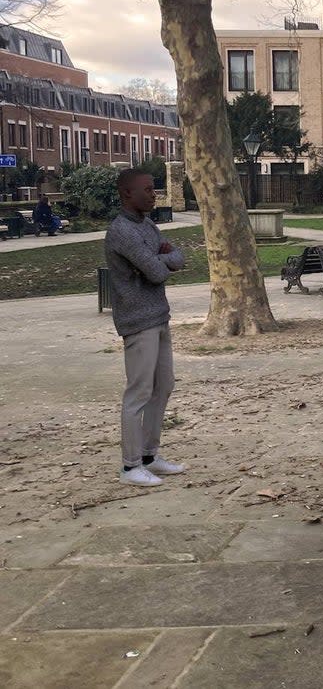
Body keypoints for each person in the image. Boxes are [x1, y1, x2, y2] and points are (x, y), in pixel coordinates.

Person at [105, 169, 187, 487]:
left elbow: (178, 258)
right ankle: (130, 466)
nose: (154, 195)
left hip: (159, 315)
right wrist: (161, 259)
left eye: (154, 189)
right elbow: (156, 271)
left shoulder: (148, 225)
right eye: (148, 190)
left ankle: (150, 456)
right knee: (138, 392)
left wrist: (162, 259)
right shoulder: (122, 231)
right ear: (127, 193)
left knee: (163, 385)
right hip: (137, 321)